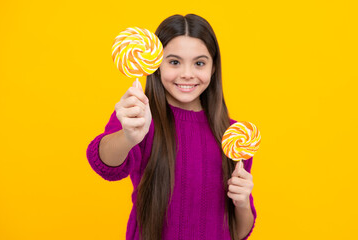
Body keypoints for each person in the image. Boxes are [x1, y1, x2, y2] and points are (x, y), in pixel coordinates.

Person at [86, 13, 257, 240]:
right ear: (156, 64)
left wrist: (243, 202)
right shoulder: (139, 115)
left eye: (199, 63)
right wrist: (128, 137)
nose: (187, 74)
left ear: (213, 67)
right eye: (174, 62)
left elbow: (238, 233)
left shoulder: (232, 136)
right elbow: (106, 165)